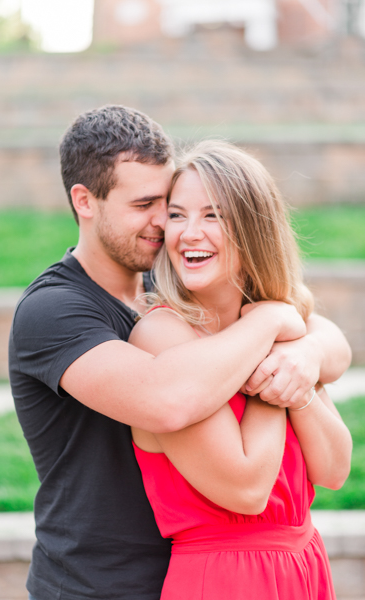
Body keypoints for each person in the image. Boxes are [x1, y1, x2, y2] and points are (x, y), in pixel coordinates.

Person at [8, 105, 351, 600]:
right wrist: (273, 328)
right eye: (149, 205)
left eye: (166, 205)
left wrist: (303, 350)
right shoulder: (55, 311)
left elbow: (327, 338)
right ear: (84, 200)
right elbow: (168, 399)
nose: (165, 226)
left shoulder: (178, 287)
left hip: (200, 569)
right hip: (99, 584)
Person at [129, 140, 351, 599]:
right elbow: (247, 488)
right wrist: (270, 338)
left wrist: (300, 367)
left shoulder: (281, 329)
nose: (189, 232)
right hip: (223, 577)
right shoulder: (161, 337)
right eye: (177, 214)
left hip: (304, 565)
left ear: (253, 230)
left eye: (213, 215)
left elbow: (334, 469)